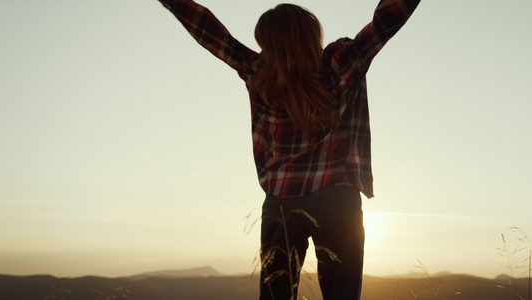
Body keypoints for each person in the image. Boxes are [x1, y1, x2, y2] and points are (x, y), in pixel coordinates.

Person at [158, 0, 421, 299]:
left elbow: (208, 30)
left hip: (281, 201)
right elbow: (389, 18)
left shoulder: (258, 73)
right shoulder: (342, 61)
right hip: (337, 195)